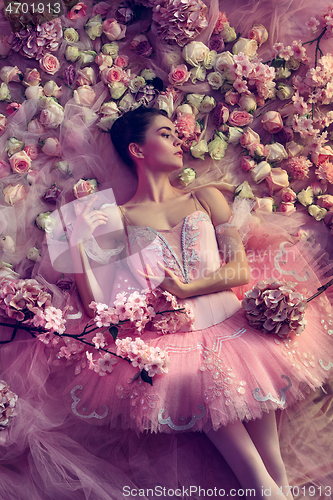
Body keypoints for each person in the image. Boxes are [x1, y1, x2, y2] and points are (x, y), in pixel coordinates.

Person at [68, 107, 333, 499]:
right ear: (137, 150)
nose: (179, 141)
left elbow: (240, 271)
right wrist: (77, 248)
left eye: (177, 134)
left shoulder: (205, 198)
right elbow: (97, 312)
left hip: (242, 332)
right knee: (259, 482)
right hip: (180, 349)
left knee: (276, 471)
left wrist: (186, 289)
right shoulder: (118, 218)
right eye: (166, 134)